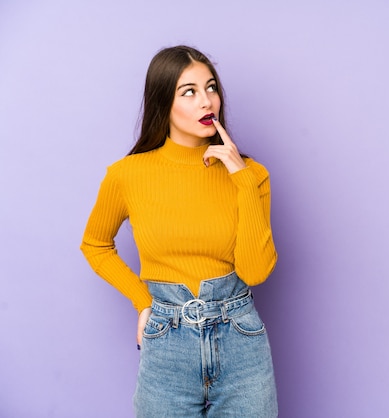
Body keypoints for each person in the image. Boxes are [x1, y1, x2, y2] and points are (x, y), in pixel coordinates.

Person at [80, 45, 278, 417]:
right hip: (167, 341)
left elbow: (255, 272)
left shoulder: (253, 175)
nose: (207, 101)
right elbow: (95, 244)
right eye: (189, 92)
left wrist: (241, 178)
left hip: (241, 341)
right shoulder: (127, 175)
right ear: (162, 102)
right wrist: (142, 302)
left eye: (211, 87)